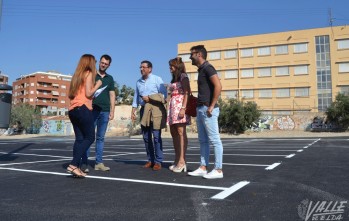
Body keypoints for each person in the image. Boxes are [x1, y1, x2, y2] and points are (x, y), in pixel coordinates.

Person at [187, 45, 224, 179]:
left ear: (199, 54)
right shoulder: (201, 70)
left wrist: (212, 106)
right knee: (203, 140)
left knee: (215, 140)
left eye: (191, 54)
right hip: (201, 109)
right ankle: (203, 167)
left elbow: (218, 86)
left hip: (209, 109)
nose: (190, 57)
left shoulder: (208, 68)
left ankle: (218, 170)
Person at [67, 54, 102, 178]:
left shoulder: (76, 75)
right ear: (89, 62)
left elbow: (72, 95)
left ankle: (76, 167)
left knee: (80, 139)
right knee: (90, 137)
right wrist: (97, 85)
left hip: (72, 109)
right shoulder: (89, 73)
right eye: (95, 61)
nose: (96, 64)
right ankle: (73, 164)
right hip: (83, 109)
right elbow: (88, 93)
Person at [131, 60, 167, 171]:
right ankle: (150, 160)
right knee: (146, 137)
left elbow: (163, 95)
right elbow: (136, 96)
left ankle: (158, 161)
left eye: (144, 67)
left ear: (150, 69)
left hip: (156, 110)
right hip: (144, 110)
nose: (141, 69)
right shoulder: (138, 82)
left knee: (156, 136)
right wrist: (133, 110)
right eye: (140, 67)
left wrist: (150, 98)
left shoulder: (157, 79)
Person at [82, 54, 115, 172]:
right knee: (89, 137)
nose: (103, 65)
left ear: (109, 65)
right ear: (99, 62)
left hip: (105, 111)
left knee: (100, 138)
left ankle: (99, 163)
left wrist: (112, 111)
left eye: (106, 64)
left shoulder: (110, 78)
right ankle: (84, 163)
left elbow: (112, 94)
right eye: (102, 62)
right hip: (92, 110)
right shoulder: (92, 75)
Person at [167, 57, 190, 173]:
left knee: (181, 133)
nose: (170, 67)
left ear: (177, 66)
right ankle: (177, 159)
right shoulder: (174, 79)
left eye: (172, 65)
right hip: (172, 107)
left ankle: (182, 161)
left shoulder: (183, 76)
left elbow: (187, 92)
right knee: (174, 133)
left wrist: (183, 108)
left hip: (180, 106)